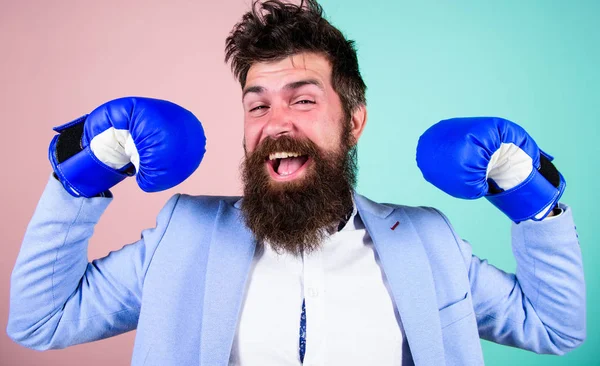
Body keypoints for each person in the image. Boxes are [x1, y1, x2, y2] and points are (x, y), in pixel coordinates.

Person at [7, 0, 585, 365]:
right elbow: (41, 318)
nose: (275, 122)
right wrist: (84, 165)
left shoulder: (427, 240)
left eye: (303, 100)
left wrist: (529, 189)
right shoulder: (182, 234)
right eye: (256, 106)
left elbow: (555, 327)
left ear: (353, 122)